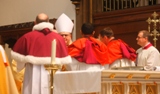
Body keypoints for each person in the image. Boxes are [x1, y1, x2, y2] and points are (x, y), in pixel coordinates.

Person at [11, 13, 71, 94]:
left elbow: (19, 63)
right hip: (53, 73)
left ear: (35, 22)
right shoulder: (58, 38)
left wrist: (19, 67)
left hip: (32, 74)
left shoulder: (27, 37)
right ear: (48, 22)